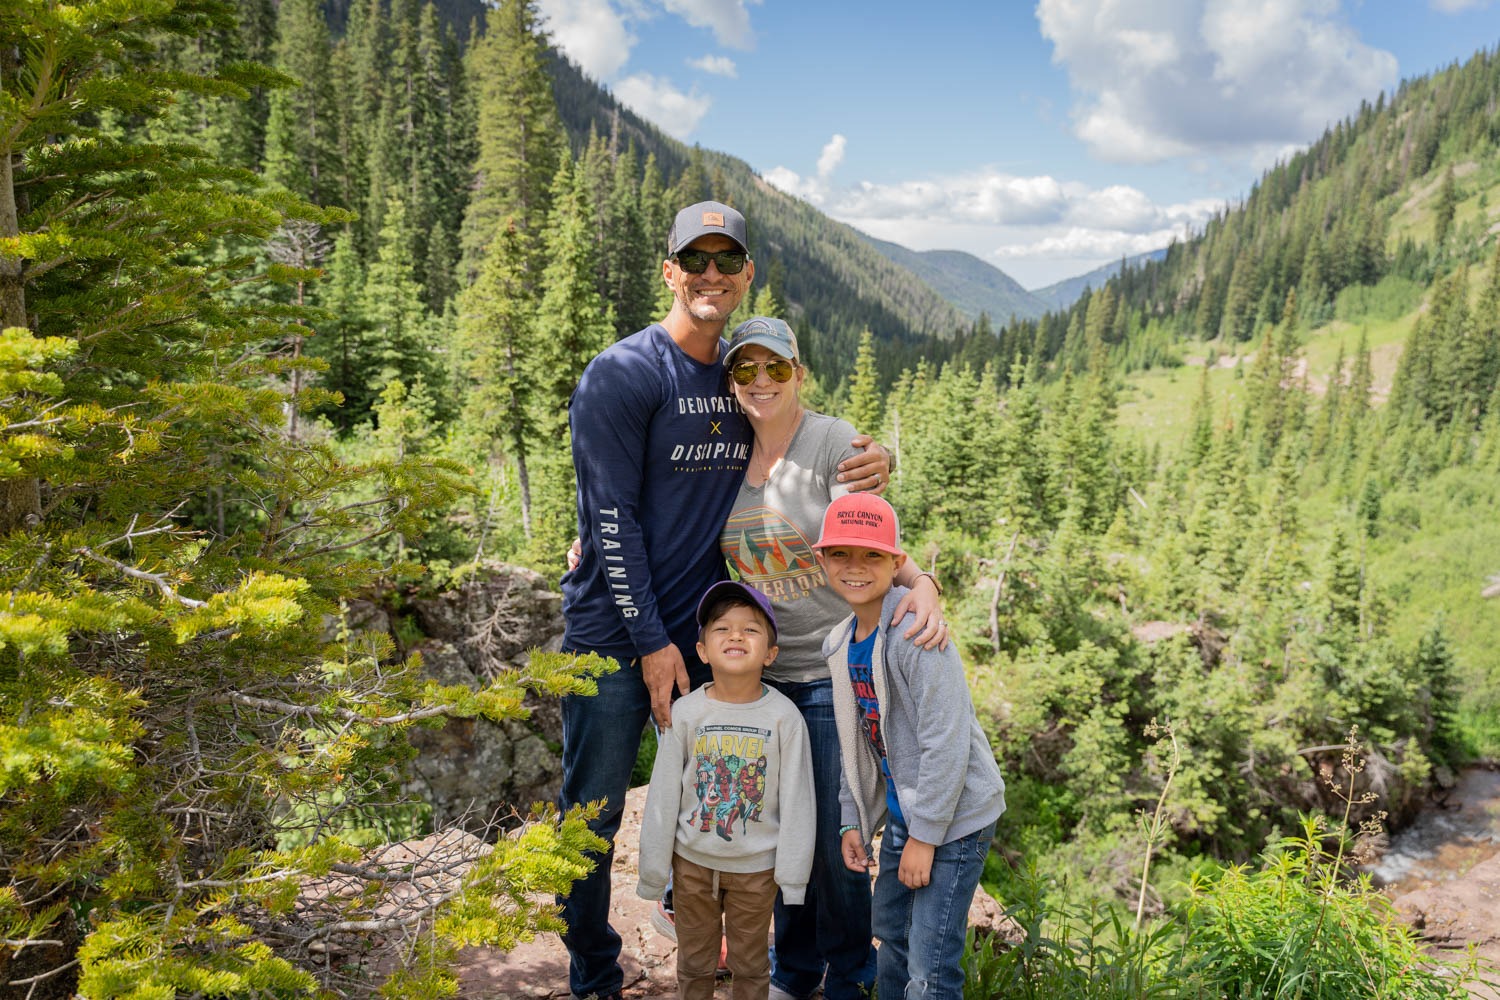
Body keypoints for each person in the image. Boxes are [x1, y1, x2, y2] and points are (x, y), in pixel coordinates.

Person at [557, 201, 889, 1000]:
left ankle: (719, 942)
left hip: (711, 643)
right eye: (693, 260)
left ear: (745, 275)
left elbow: (795, 446)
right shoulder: (625, 373)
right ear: (669, 271)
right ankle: (594, 974)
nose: (710, 274)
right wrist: (648, 638)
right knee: (592, 818)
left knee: (719, 799)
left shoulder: (739, 375)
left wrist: (872, 464)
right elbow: (612, 515)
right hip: (616, 636)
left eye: (725, 260)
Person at [717, 317, 947, 1000]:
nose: (761, 382)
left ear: (799, 374)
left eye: (776, 368)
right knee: (780, 833)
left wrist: (922, 582)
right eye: (745, 370)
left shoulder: (830, 442)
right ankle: (795, 969)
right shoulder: (724, 454)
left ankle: (850, 973)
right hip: (761, 680)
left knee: (837, 838)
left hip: (828, 676)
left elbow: (864, 536)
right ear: (731, 381)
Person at [813, 493, 1006, 1000]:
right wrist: (851, 818)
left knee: (931, 958)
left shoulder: (917, 631)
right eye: (841, 554)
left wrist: (926, 836)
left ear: (898, 563)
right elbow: (854, 743)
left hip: (955, 816)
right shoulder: (839, 643)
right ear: (822, 560)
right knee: (890, 926)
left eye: (872, 555)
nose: (855, 567)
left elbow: (947, 737)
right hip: (908, 812)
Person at [637, 581, 816, 1000]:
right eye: (721, 628)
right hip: (692, 866)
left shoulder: (784, 718)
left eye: (751, 629)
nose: (736, 635)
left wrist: (792, 878)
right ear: (701, 651)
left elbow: (797, 801)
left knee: (750, 966)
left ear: (771, 653)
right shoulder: (686, 713)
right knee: (694, 964)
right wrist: (653, 873)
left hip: (756, 871)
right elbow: (664, 796)